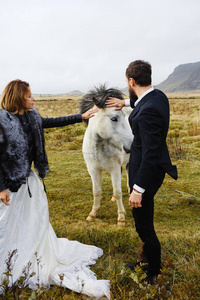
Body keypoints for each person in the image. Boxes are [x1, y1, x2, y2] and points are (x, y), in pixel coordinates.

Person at [0, 79, 110, 299]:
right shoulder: (2, 120)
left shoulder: (32, 116)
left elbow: (49, 122)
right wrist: (1, 187)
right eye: (29, 95)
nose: (33, 99)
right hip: (9, 184)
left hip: (29, 181)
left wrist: (81, 117)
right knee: (7, 225)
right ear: (18, 97)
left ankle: (32, 255)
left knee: (34, 223)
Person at [106, 60, 178, 283]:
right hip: (147, 169)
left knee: (143, 225)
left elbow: (150, 154)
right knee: (144, 220)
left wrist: (137, 188)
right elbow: (140, 100)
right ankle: (146, 262)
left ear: (131, 80)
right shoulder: (158, 96)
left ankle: (153, 273)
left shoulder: (148, 112)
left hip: (145, 173)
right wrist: (124, 102)